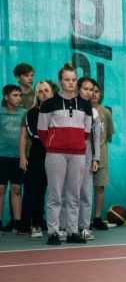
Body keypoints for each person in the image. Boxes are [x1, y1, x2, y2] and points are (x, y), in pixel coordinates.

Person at [38, 63, 92, 245]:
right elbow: (42, 130)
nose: (71, 82)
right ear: (60, 81)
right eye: (67, 79)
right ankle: (53, 233)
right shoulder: (49, 104)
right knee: (55, 195)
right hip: (55, 154)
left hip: (77, 155)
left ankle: (72, 232)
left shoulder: (85, 105)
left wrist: (75, 144)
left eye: (74, 80)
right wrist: (53, 145)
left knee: (74, 195)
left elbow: (86, 132)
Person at [56, 77, 101, 240]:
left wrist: (96, 158)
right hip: (67, 156)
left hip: (86, 157)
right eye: (86, 89)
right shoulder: (67, 107)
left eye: (92, 90)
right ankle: (63, 227)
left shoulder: (94, 112)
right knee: (64, 192)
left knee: (85, 193)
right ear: (78, 89)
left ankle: (84, 227)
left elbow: (96, 138)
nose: (89, 93)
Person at [17, 81, 53, 237]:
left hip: (55, 153)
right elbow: (29, 134)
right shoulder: (31, 113)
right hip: (37, 153)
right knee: (32, 189)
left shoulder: (59, 112)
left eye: (46, 90)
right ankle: (27, 224)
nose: (43, 93)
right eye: (40, 91)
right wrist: (22, 157)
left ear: (52, 93)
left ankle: (40, 220)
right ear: (36, 95)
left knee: (47, 189)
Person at [0, 85, 26, 233]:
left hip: (18, 157)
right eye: (15, 95)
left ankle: (17, 221)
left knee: (16, 188)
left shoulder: (23, 113)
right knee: (1, 188)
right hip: (2, 156)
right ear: (6, 97)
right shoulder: (1, 112)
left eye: (20, 95)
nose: (18, 98)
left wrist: (23, 156)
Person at [91, 83, 114, 231]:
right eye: (90, 91)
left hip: (101, 155)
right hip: (84, 155)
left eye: (96, 91)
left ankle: (97, 218)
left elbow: (109, 133)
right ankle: (81, 220)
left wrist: (100, 145)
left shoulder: (105, 112)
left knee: (99, 187)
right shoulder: (82, 110)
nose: (93, 94)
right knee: (81, 190)